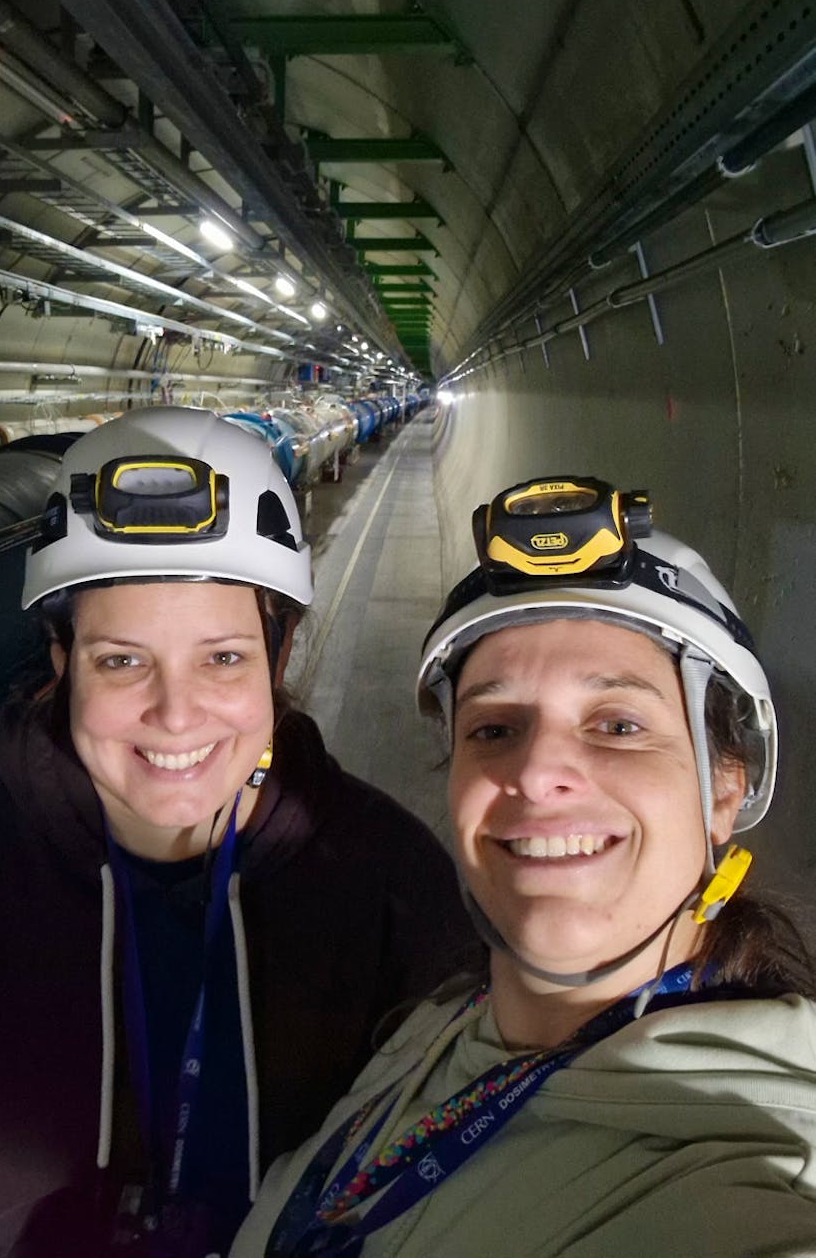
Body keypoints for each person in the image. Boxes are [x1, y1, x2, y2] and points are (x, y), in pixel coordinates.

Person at [0, 406, 474, 1258]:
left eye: (222, 658)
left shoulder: (390, 885)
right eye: (121, 659)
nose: (175, 715)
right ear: (60, 660)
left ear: (278, 659)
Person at [233, 474, 816, 1256]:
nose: (538, 772)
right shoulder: (437, 1032)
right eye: (495, 729)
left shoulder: (754, 1164)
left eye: (616, 723)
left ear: (725, 788)